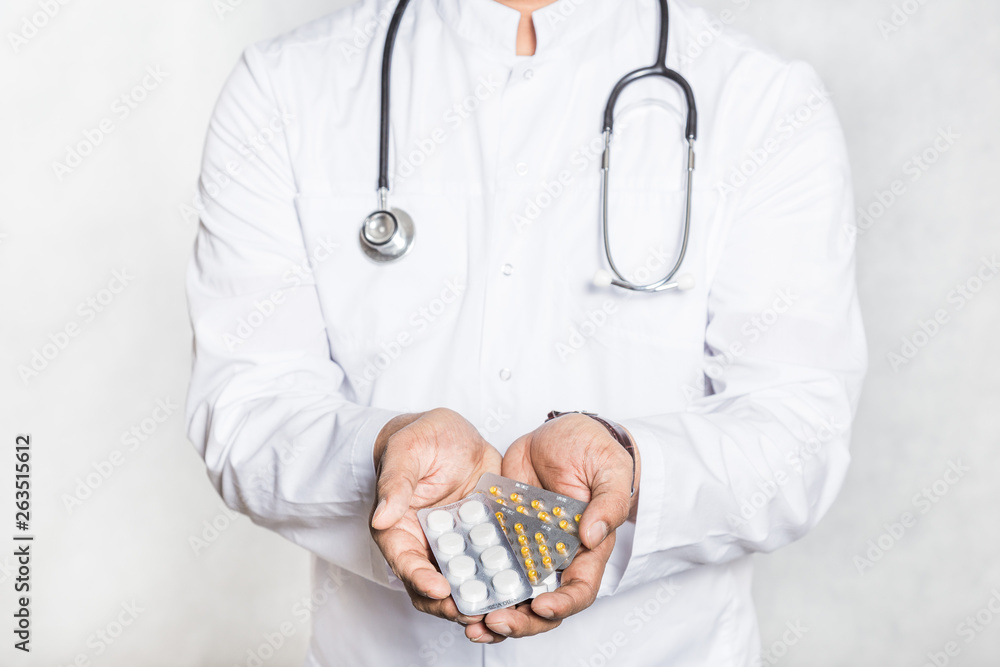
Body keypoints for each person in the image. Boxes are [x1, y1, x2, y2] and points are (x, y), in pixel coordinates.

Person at [185, 0, 867, 664]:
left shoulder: (764, 100)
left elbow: (798, 430)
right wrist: (384, 446)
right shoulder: (287, 87)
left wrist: (635, 470)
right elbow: (247, 407)